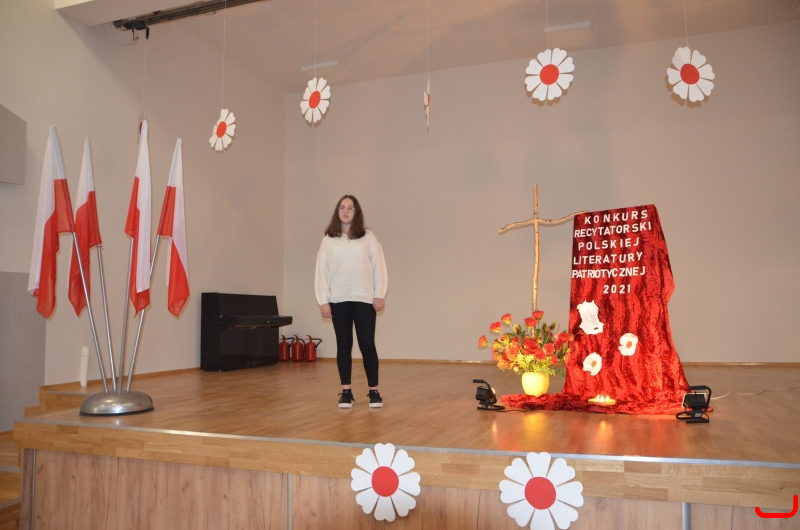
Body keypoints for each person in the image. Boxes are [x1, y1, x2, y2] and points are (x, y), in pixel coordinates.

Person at [315, 195, 388, 408]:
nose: (345, 211)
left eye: (350, 208)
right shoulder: (328, 240)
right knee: (344, 345)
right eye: (342, 207)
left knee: (367, 344)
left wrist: (379, 294)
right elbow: (321, 271)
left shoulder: (368, 237)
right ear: (337, 211)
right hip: (338, 300)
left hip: (364, 299)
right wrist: (323, 300)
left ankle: (374, 391)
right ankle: (346, 392)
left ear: (356, 212)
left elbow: (379, 266)